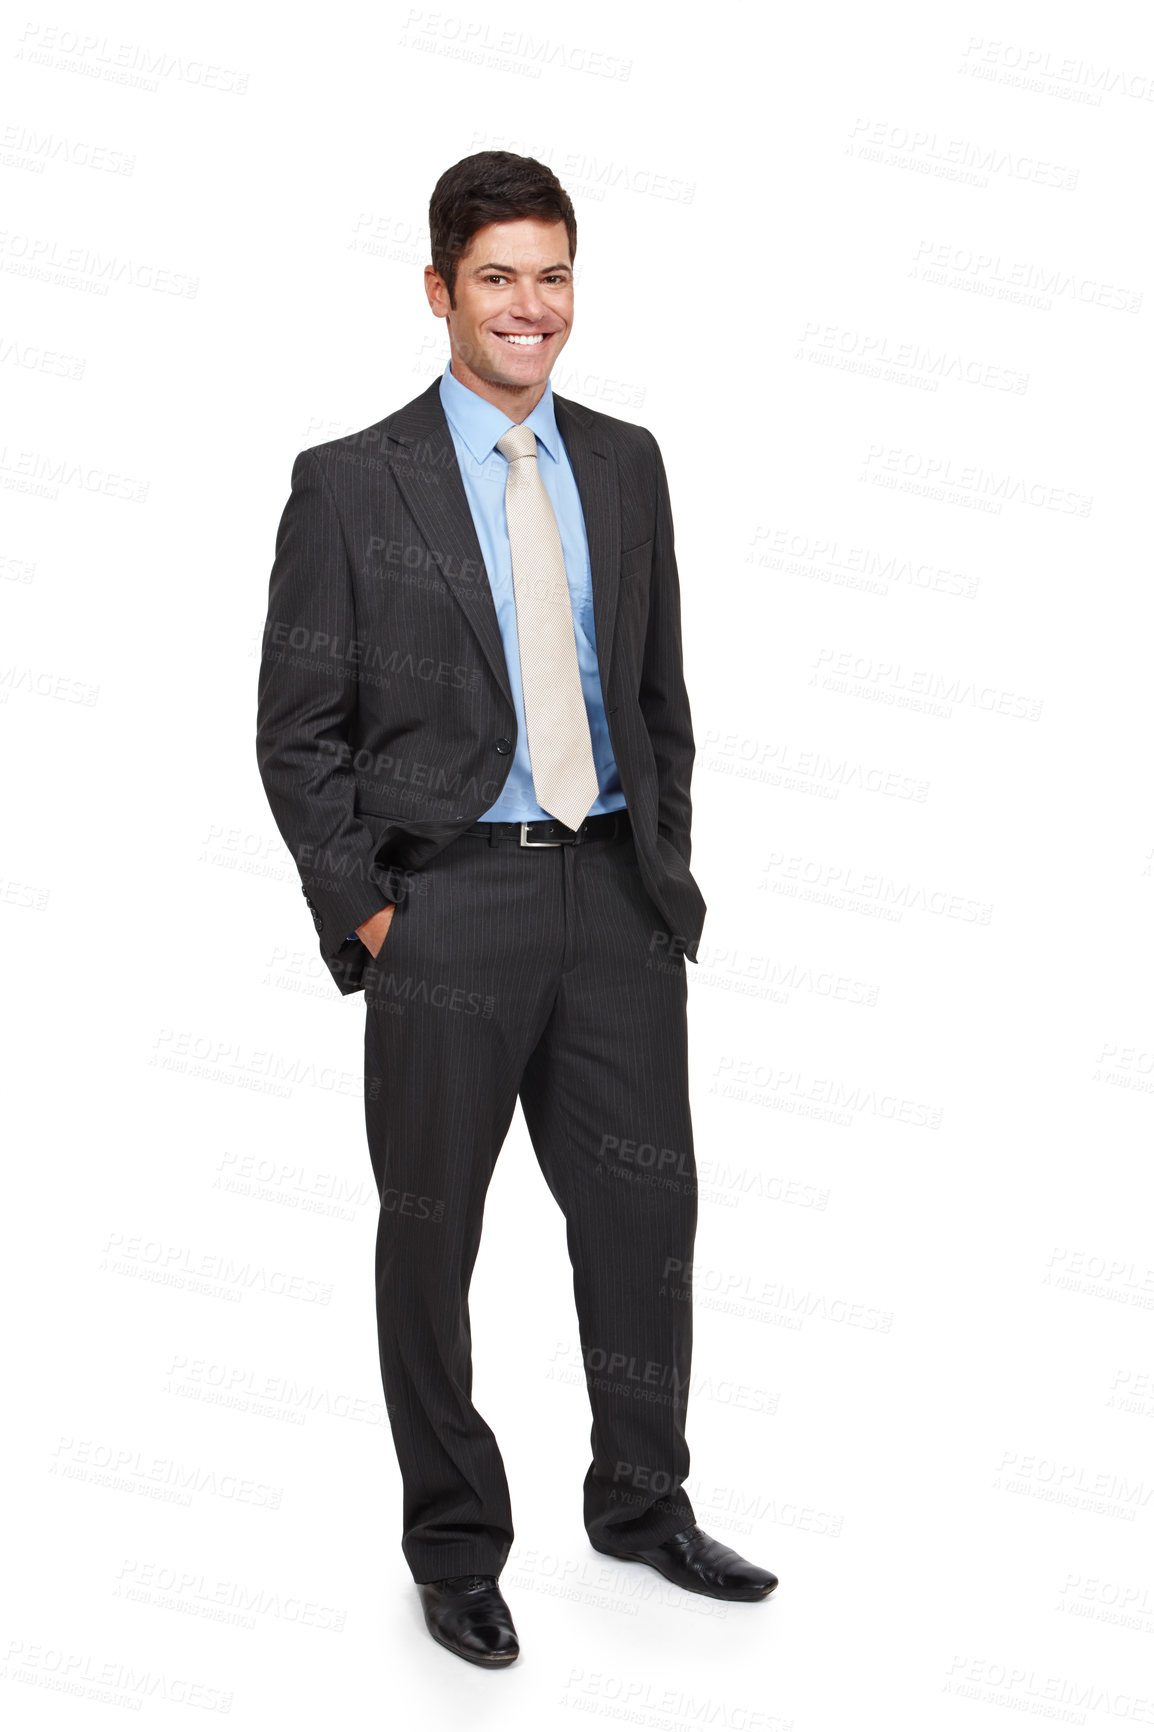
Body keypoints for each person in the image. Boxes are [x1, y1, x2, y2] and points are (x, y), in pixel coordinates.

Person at [256, 150, 777, 1669]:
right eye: (497, 276)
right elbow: (299, 731)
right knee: (432, 1240)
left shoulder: (626, 462)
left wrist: (660, 874)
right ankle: (454, 1544)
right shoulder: (350, 482)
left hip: (613, 900)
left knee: (643, 1220)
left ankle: (639, 1500)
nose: (528, 305)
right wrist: (369, 917)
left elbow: (657, 694)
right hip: (447, 912)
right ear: (439, 292)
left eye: (551, 274)